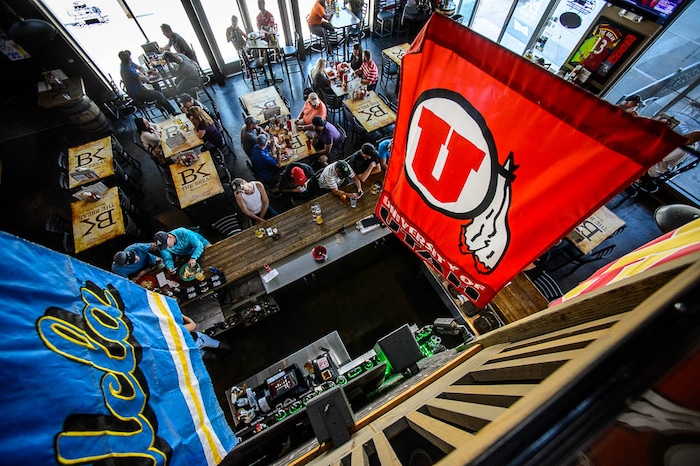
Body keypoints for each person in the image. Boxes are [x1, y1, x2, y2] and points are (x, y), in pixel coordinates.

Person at [118, 50, 176, 116]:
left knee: (156, 85)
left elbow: (140, 68)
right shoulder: (127, 70)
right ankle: (172, 112)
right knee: (159, 94)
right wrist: (147, 74)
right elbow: (146, 80)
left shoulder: (127, 63)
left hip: (139, 86)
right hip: (137, 92)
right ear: (128, 60)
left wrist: (145, 73)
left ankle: (159, 103)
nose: (131, 59)